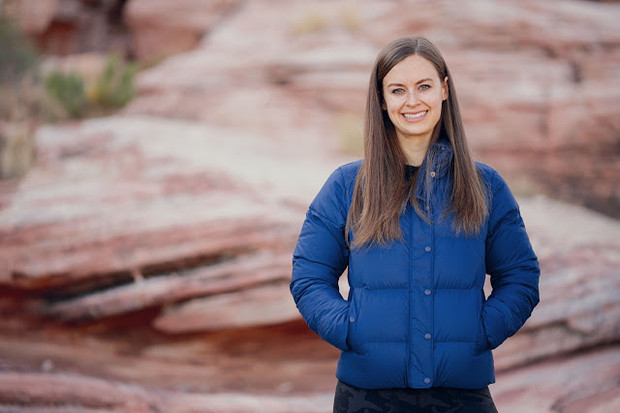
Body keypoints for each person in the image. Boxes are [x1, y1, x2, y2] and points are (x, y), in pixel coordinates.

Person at [289, 36, 540, 413]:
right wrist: (351, 329)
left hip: (461, 397)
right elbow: (309, 277)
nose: (412, 101)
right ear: (381, 98)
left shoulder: (486, 185)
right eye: (397, 89)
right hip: (367, 398)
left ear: (444, 88)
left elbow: (520, 277)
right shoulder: (346, 186)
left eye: (423, 86)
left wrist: (481, 330)